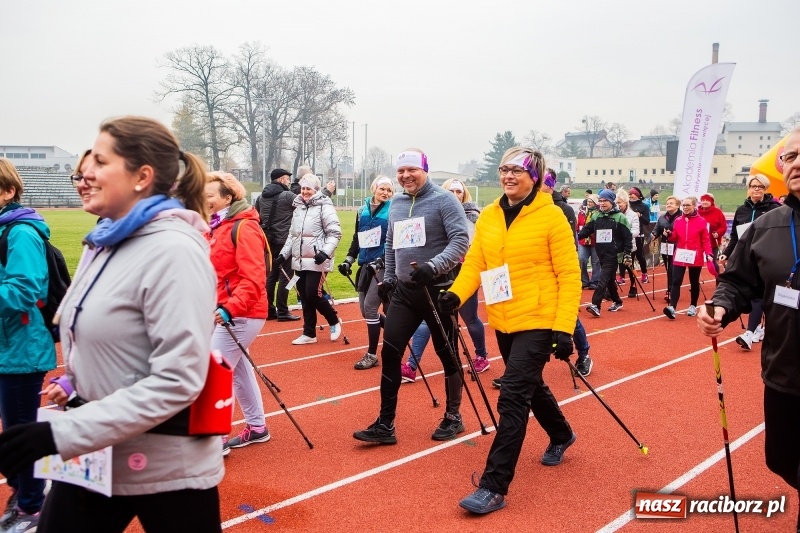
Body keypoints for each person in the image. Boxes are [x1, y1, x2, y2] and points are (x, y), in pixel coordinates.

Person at [0, 116, 223, 532]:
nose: (85, 173)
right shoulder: (105, 242)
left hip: (164, 466)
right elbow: (109, 336)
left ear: (142, 176)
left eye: (100, 162)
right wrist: (74, 384)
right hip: (96, 455)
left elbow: (178, 379)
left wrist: (62, 433)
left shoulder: (173, 251)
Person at [440, 146, 580, 514]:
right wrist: (455, 295)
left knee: (512, 397)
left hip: (539, 318)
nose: (508, 176)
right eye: (504, 169)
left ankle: (493, 486)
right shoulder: (488, 215)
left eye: (517, 171)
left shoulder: (551, 218)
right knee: (530, 386)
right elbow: (475, 263)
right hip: (504, 318)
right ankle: (562, 434)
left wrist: (564, 328)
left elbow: (569, 275)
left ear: (535, 177)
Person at [696, 127, 800, 533]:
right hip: (784, 372)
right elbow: (738, 282)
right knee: (781, 459)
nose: (796, 163)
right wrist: (720, 306)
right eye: (789, 157)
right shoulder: (768, 226)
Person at [352, 148, 469, 444]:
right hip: (404, 292)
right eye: (401, 171)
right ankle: (385, 424)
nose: (405, 176)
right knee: (390, 353)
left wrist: (434, 266)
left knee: (447, 354)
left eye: (411, 170)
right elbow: (392, 243)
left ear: (424, 170)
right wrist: (390, 278)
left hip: (437, 289)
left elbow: (460, 240)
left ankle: (453, 416)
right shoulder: (398, 203)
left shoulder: (445, 200)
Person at [0, 158, 57, 531]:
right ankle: (22, 492)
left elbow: (24, 289)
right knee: (13, 428)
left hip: (22, 348)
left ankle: (32, 505)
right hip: (9, 346)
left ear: (7, 191)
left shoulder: (20, 231)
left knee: (22, 430)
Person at [205, 171, 271, 455]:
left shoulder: (244, 228)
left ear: (227, 198)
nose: (203, 200)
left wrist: (230, 308)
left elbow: (254, 278)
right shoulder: (217, 225)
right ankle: (257, 428)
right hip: (228, 310)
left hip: (242, 312)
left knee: (213, 371)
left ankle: (214, 440)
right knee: (238, 371)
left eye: (209, 196)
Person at [399, 178, 490, 381]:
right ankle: (411, 366)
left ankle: (481, 355)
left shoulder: (474, 218)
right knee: (428, 320)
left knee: (470, 318)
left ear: (464, 194)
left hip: (465, 274)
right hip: (440, 274)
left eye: (459, 191)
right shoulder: (437, 210)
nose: (455, 194)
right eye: (451, 191)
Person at [258, 168, 333, 322]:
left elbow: (258, 216)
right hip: (288, 241)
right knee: (287, 277)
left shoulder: (260, 197)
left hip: (268, 241)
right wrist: (327, 192)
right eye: (286, 178)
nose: (288, 181)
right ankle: (283, 310)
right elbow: (310, 203)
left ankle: (269, 309)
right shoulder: (286, 196)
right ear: (280, 179)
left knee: (271, 277)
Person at [276, 174, 342, 345]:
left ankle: (334, 320)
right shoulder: (298, 207)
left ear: (316, 190)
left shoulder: (324, 206)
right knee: (304, 296)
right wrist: (283, 254)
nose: (305, 192)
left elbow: (334, 233)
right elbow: (293, 235)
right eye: (303, 188)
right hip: (299, 260)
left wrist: (325, 252)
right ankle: (309, 332)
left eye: (308, 189)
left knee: (313, 293)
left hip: (317, 260)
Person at [717, 174, 781, 350]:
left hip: (767, 257)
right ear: (749, 188)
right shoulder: (741, 211)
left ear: (765, 189)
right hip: (745, 259)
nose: (757, 189)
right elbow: (735, 237)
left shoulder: (774, 209)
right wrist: (726, 254)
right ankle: (755, 329)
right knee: (752, 295)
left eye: (760, 186)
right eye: (753, 186)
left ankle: (751, 331)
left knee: (762, 296)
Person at [339, 176, 393, 370]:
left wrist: (382, 262)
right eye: (382, 189)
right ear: (374, 189)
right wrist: (348, 260)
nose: (386, 192)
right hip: (365, 265)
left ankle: (371, 355)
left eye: (389, 190)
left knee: (371, 308)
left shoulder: (393, 210)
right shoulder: (362, 210)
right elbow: (357, 238)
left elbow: (395, 241)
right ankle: (397, 332)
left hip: (384, 266)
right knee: (365, 311)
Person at [578, 188, 632, 317]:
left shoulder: (620, 217)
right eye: (600, 201)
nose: (602, 203)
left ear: (612, 202)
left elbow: (627, 237)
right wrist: (575, 236)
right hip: (600, 252)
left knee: (602, 278)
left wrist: (627, 253)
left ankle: (596, 305)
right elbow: (587, 229)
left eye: (605, 201)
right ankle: (617, 301)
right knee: (609, 280)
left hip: (614, 254)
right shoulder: (597, 215)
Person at [663, 196, 713, 319]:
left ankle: (692, 305)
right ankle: (672, 307)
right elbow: (675, 237)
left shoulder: (701, 221)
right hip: (680, 254)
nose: (685, 207)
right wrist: (669, 235)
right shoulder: (678, 220)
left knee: (694, 281)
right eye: (683, 205)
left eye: (688, 205)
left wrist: (709, 253)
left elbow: (706, 240)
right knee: (676, 281)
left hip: (695, 255)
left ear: (694, 206)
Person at [651, 196, 681, 303]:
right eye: (667, 203)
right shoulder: (662, 218)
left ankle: (671, 290)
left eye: (671, 203)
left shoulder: (682, 218)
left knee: (674, 269)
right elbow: (656, 229)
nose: (668, 205)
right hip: (666, 246)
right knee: (669, 269)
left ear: (677, 205)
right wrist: (654, 235)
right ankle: (670, 289)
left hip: (678, 246)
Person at [615, 189, 639, 296]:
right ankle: (612, 288)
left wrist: (626, 234)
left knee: (629, 266)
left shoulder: (633, 215)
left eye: (619, 202)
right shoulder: (615, 213)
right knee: (616, 265)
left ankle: (633, 285)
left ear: (626, 202)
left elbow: (636, 231)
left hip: (629, 245)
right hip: (616, 245)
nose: (618, 205)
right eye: (616, 203)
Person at [698, 193, 727, 275]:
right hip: (697, 242)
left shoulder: (717, 212)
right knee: (696, 264)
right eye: (703, 200)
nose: (705, 202)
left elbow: (723, 227)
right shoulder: (696, 212)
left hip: (712, 242)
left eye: (707, 200)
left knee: (712, 263)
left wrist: (718, 233)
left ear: (712, 202)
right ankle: (695, 283)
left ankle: (717, 279)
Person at [627, 187, 651, 283]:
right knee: (629, 256)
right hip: (628, 234)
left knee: (639, 255)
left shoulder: (644, 206)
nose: (630, 196)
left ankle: (644, 273)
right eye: (629, 194)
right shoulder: (627, 205)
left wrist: (640, 215)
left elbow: (647, 222)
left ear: (638, 195)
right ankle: (627, 277)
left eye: (632, 194)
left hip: (639, 234)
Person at [577, 195, 600, 289]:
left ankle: (595, 281)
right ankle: (584, 280)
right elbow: (578, 225)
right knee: (582, 259)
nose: (589, 203)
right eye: (588, 201)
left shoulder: (599, 214)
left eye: (591, 202)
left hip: (595, 241)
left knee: (596, 262)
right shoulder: (582, 213)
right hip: (583, 241)